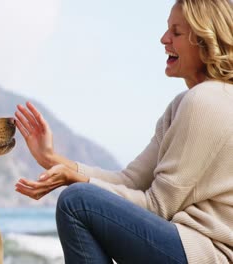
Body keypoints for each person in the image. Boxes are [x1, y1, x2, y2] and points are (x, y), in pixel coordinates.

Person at [14, 0, 233, 263]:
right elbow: (130, 181)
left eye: (176, 33)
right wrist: (53, 160)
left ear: (205, 40)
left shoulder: (205, 101)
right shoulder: (187, 103)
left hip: (208, 254)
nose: (164, 39)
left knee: (77, 203)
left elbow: (157, 207)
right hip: (188, 248)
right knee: (81, 198)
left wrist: (78, 183)